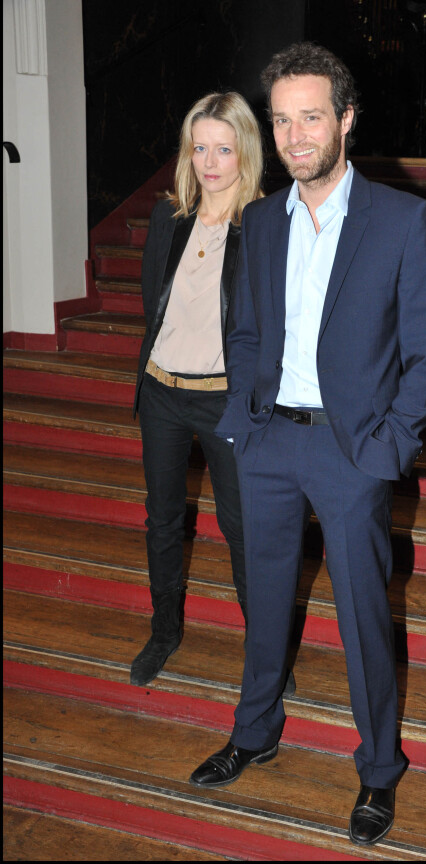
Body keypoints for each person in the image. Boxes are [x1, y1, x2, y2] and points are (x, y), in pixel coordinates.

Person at [189, 43, 426, 847]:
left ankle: (378, 771)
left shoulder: (403, 219)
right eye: (281, 120)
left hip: (351, 453)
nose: (296, 135)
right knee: (262, 602)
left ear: (345, 119)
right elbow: (247, 329)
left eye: (311, 117)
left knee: (366, 617)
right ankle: (256, 729)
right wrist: (242, 418)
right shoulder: (261, 219)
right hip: (267, 443)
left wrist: (385, 449)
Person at [130, 92, 265, 688]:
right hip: (161, 392)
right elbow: (149, 305)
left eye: (224, 148)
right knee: (162, 521)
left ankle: (263, 653)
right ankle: (164, 632)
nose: (211, 162)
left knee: (243, 529)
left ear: (246, 151)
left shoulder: (263, 225)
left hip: (223, 400)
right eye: (200, 147)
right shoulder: (169, 216)